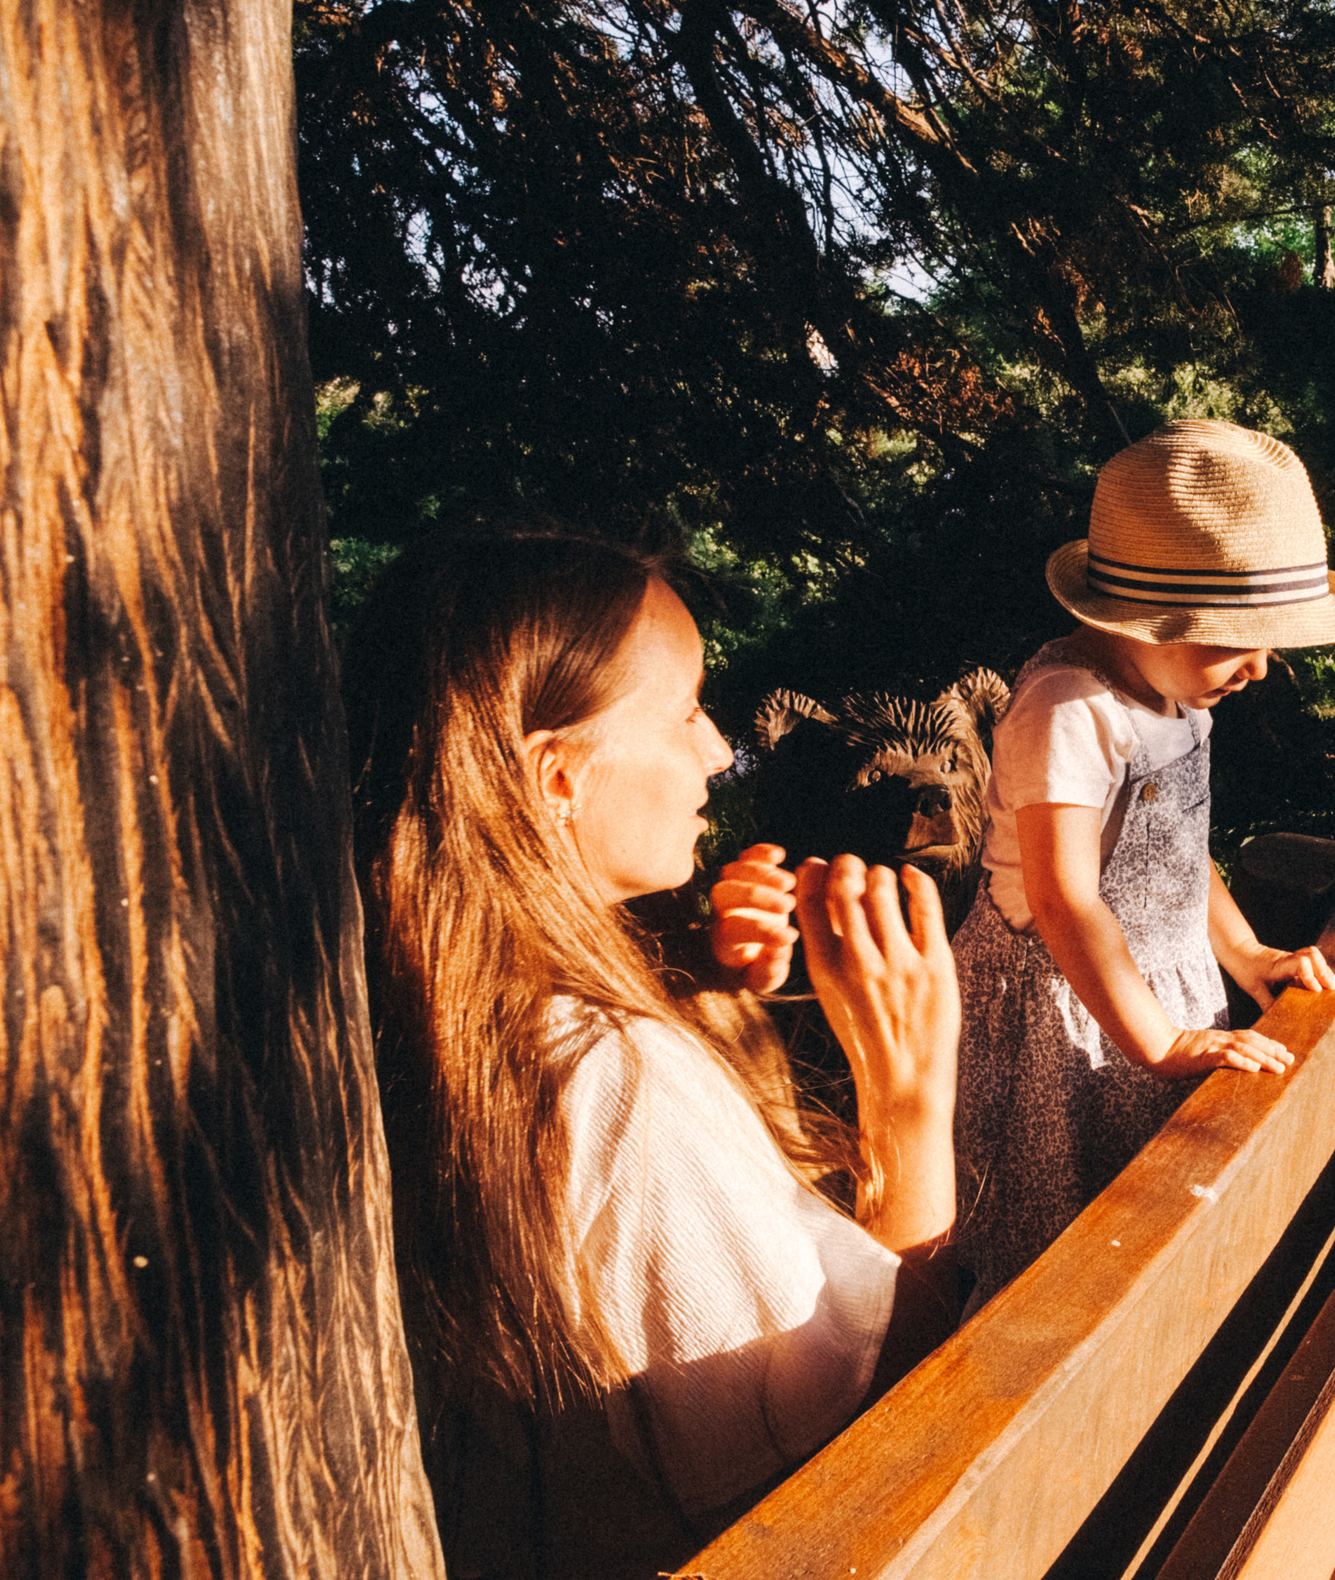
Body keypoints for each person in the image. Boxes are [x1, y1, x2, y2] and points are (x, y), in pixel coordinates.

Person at [343, 528, 961, 1580]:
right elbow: (866, 1460)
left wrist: (707, 996)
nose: (720, 750)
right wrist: (908, 1100)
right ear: (557, 779)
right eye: (683, 712)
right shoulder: (608, 1074)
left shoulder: (400, 1002)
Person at [952, 420, 1335, 1301]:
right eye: (1239, 639)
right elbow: (1067, 899)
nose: (1262, 668)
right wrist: (1161, 1040)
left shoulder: (1174, 693)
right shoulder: (1069, 709)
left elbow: (1180, 855)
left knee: (1149, 1217)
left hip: (1151, 989)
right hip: (1063, 1012)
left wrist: (1250, 955)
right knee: (1056, 1239)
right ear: (1146, 622)